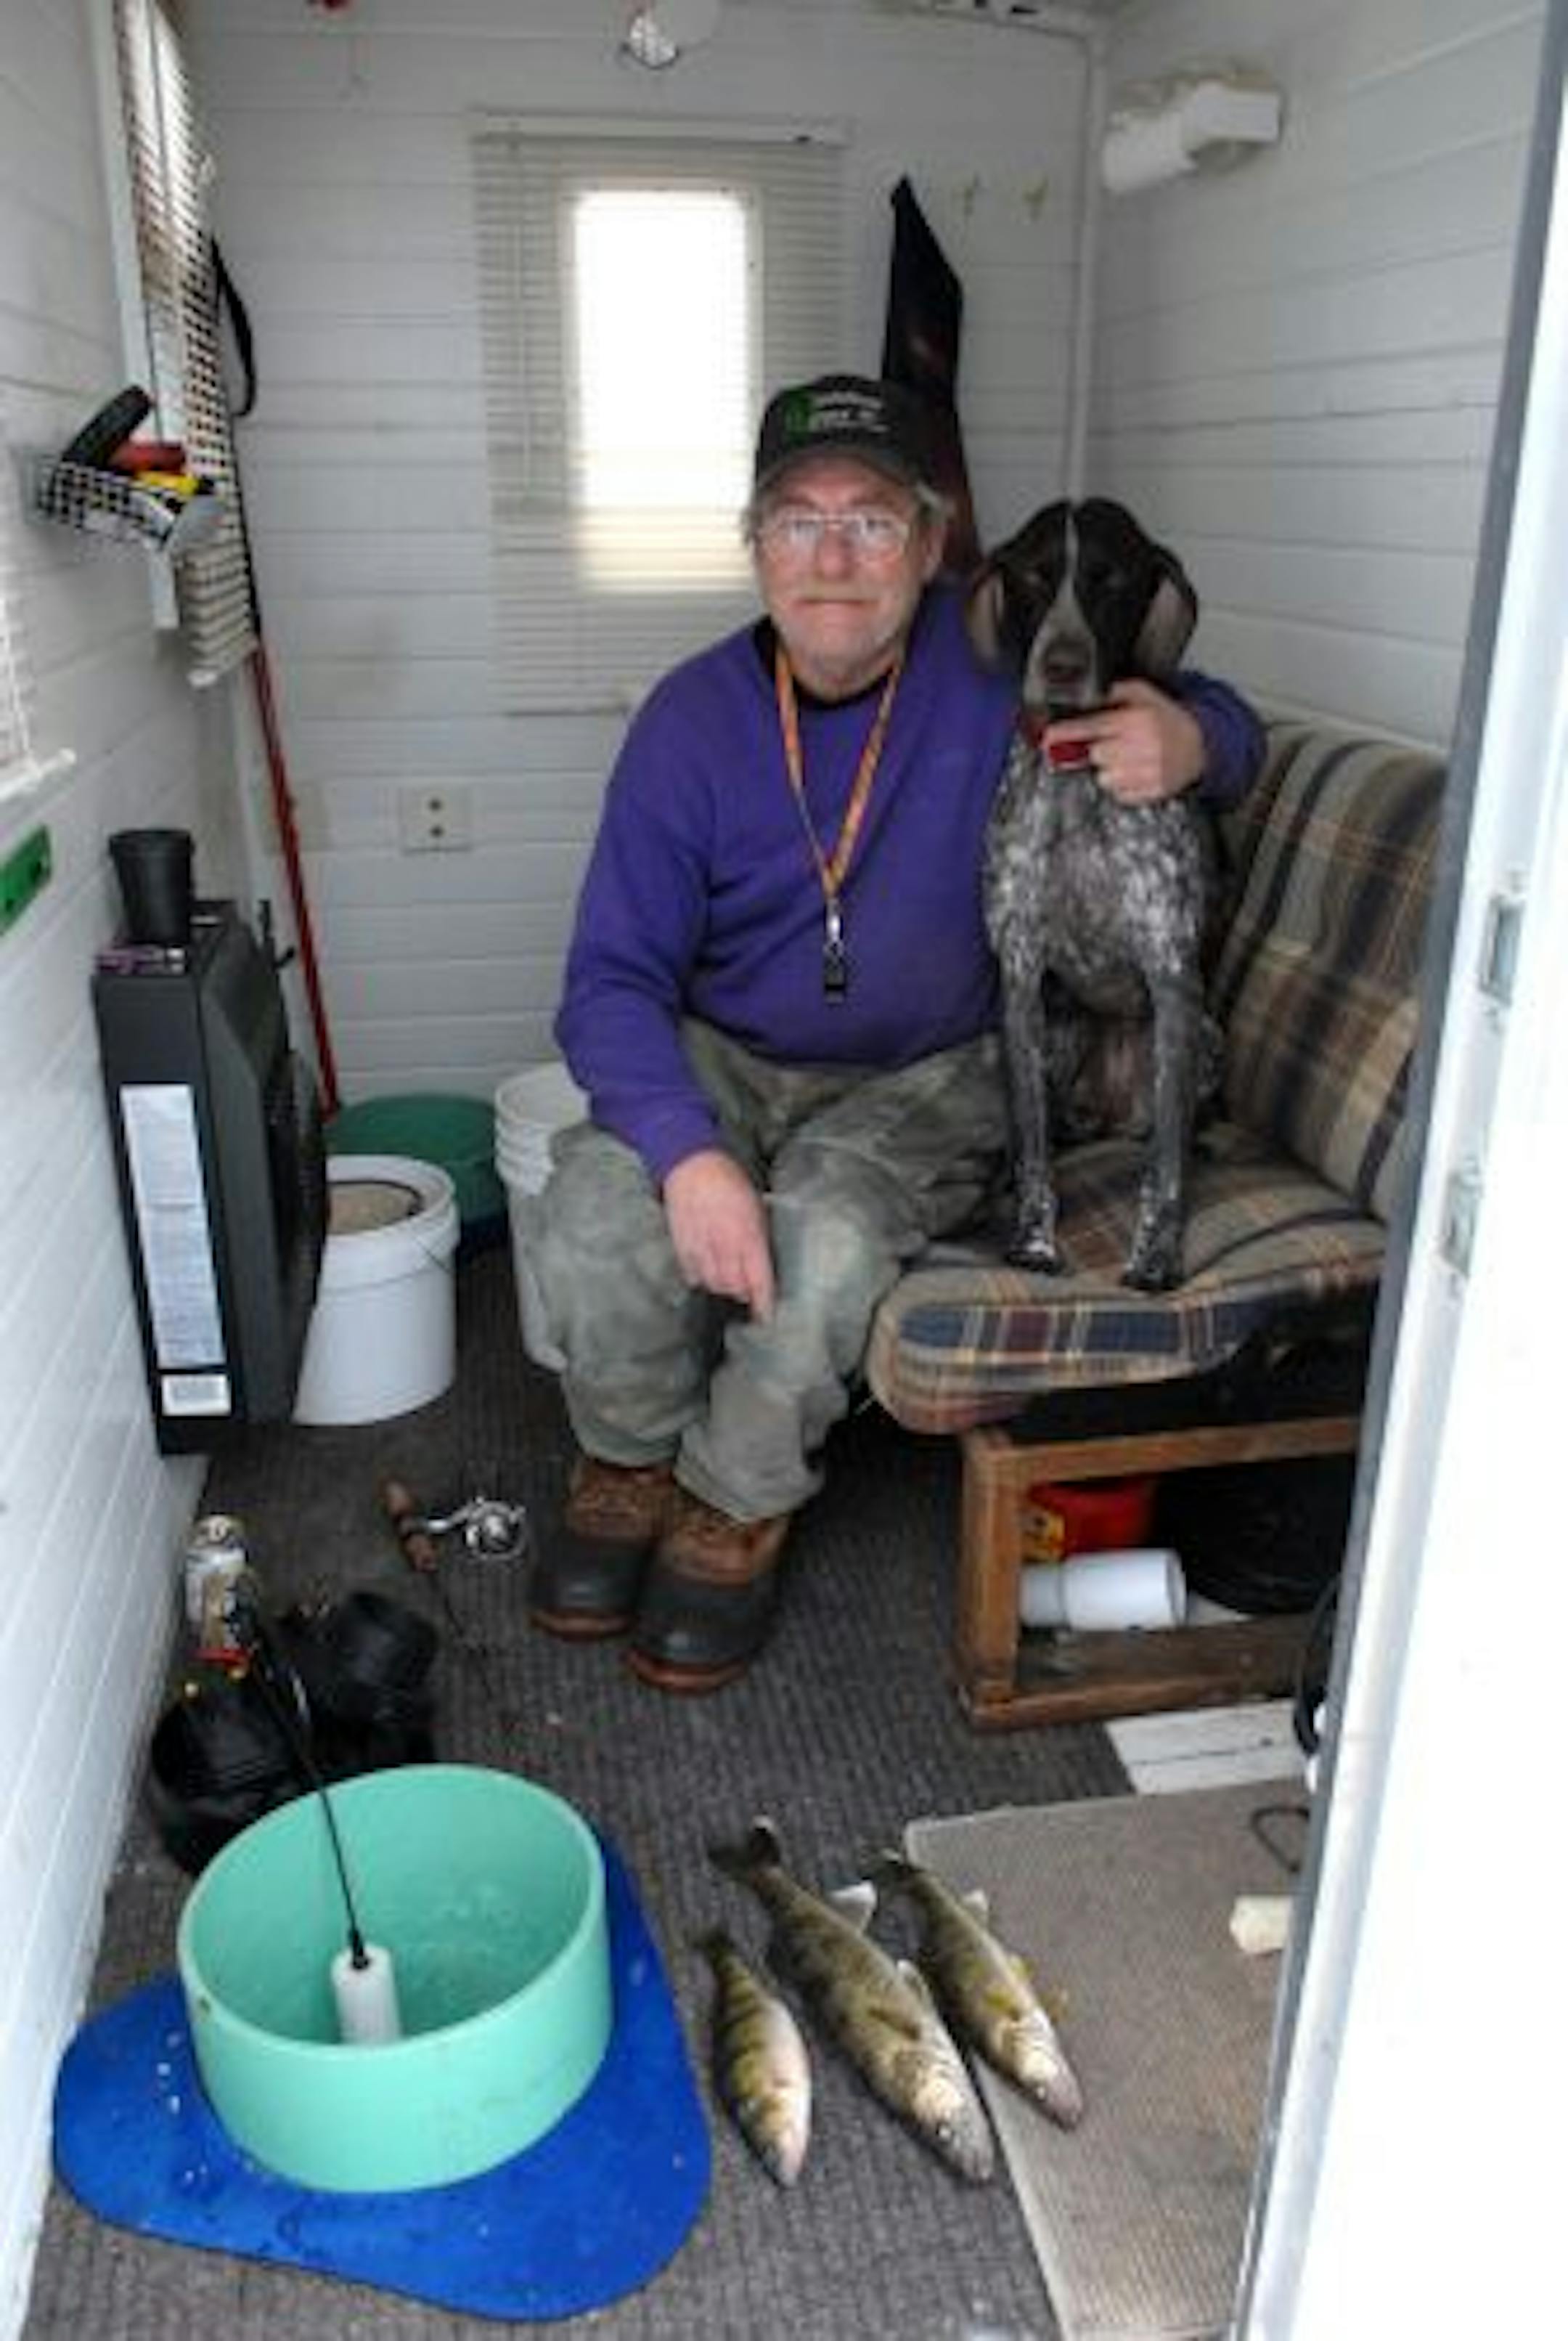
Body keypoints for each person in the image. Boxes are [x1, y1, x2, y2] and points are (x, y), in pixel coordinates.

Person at [524, 372, 1264, 1694]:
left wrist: (1199, 739)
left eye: (871, 522)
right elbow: (607, 982)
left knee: (829, 1232)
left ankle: (733, 1495)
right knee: (591, 1205)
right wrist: (690, 1156)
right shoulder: (688, 721)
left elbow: (1218, 711)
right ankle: (629, 1461)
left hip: (935, 1069)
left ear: (931, 548)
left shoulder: (1003, 665)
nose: (831, 558)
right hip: (729, 1049)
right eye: (796, 522)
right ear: (753, 546)